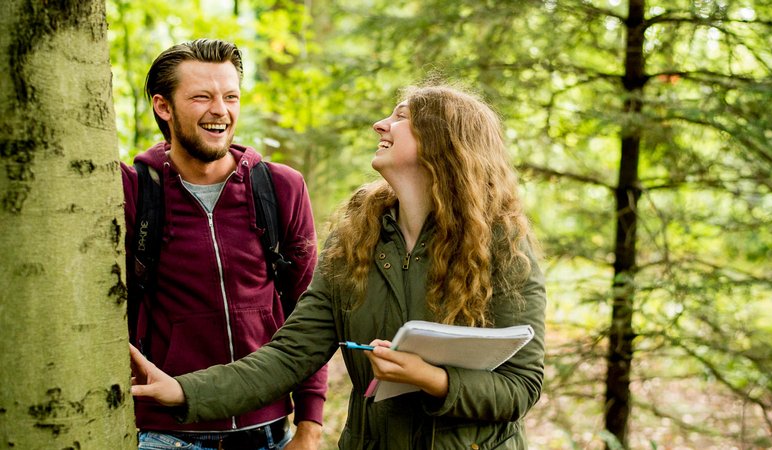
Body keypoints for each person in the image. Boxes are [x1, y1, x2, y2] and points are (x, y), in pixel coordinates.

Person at [130, 83, 547, 449]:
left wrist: (432, 379)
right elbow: (287, 357)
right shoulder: (357, 239)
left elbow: (520, 387)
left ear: (444, 142)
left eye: (400, 117)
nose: (380, 125)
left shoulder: (503, 246)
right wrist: (183, 391)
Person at [120, 38, 327, 450]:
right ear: (164, 107)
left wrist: (310, 424)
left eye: (230, 96)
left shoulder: (281, 188)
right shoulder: (132, 190)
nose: (221, 110)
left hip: (269, 431)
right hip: (166, 432)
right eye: (202, 97)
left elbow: (309, 313)